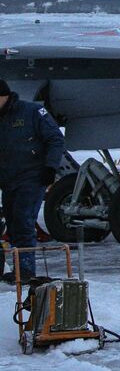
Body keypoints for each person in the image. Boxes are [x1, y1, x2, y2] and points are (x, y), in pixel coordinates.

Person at [0, 80, 67, 283]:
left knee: (23, 220)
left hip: (31, 176)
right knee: (11, 223)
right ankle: (19, 268)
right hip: (8, 179)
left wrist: (50, 167)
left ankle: (27, 271)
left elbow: (55, 139)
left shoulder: (32, 111)